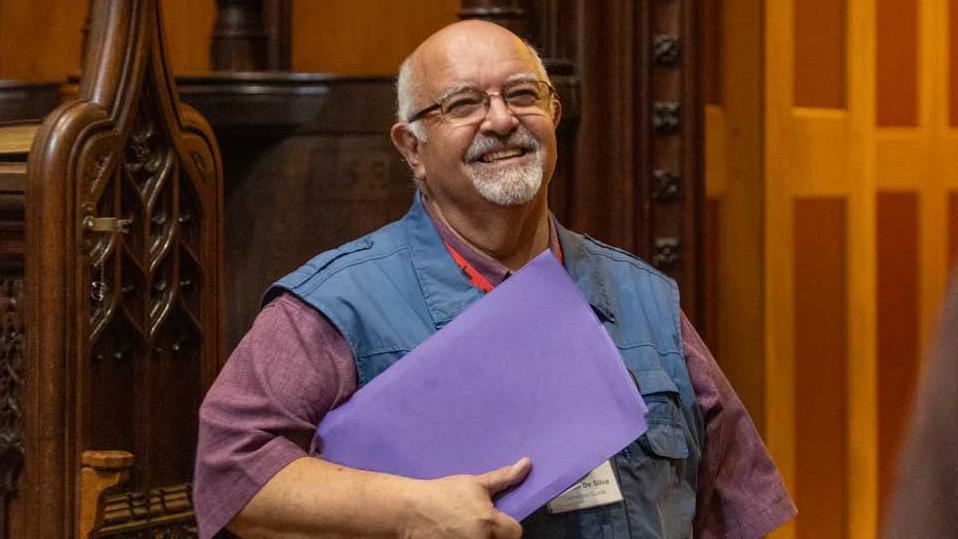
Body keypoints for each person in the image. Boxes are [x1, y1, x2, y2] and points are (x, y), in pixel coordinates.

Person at [195, 20, 796, 539]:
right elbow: (229, 471)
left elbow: (736, 505)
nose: (503, 119)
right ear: (412, 147)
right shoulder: (337, 303)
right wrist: (409, 508)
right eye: (463, 104)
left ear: (554, 115)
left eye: (522, 95)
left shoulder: (645, 299)